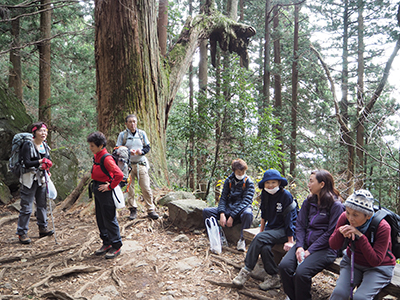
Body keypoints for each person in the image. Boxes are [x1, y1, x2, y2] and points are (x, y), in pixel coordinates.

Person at [278, 169, 344, 300]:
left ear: (322, 184)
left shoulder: (336, 205)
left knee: (302, 274)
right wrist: (300, 246)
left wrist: (310, 251)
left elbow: (331, 233)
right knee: (284, 266)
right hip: (305, 244)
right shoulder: (309, 201)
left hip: (326, 249)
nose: (308, 184)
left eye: (311, 181)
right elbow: (300, 225)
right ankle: (293, 297)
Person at [232, 169, 296, 290]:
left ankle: (246, 271)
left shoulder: (286, 196)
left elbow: (289, 219)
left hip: (285, 230)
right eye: (268, 183)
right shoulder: (265, 195)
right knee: (265, 247)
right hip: (271, 229)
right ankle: (273, 277)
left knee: (261, 239)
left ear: (279, 183)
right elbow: (264, 215)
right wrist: (261, 232)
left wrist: (290, 240)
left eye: (273, 182)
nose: (271, 185)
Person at [329, 189, 395, 300]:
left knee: (360, 298)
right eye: (348, 212)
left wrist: (360, 236)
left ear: (368, 216)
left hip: (378, 267)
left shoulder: (383, 227)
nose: (350, 218)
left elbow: (376, 260)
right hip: (353, 261)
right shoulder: (344, 218)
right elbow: (333, 245)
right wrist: (340, 233)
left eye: (355, 215)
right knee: (339, 294)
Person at [203, 159, 254, 251]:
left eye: (243, 171)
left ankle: (242, 240)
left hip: (241, 211)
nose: (241, 174)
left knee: (248, 214)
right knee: (207, 212)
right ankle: (218, 236)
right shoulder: (229, 181)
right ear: (234, 171)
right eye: (239, 172)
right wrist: (222, 213)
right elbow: (223, 198)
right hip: (228, 208)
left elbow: (246, 202)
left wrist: (232, 217)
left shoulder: (248, 182)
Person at [16, 122, 54, 244]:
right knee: (27, 207)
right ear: (34, 132)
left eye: (45, 131)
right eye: (41, 131)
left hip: (42, 178)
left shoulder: (45, 145)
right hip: (29, 178)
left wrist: (47, 169)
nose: (44, 133)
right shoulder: (28, 144)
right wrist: (40, 161)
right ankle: (22, 233)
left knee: (42, 204)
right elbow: (27, 162)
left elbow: (47, 160)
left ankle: (43, 228)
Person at [116, 114, 159, 220]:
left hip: (141, 164)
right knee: (130, 189)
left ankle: (150, 209)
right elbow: (117, 149)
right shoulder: (123, 135)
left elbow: (147, 147)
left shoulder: (141, 134)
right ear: (126, 124)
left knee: (146, 187)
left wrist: (141, 152)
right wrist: (127, 151)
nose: (132, 124)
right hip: (128, 166)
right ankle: (133, 210)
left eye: (134, 121)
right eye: (130, 122)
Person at [88, 131, 124, 259]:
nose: (90, 148)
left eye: (92, 146)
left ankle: (116, 245)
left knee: (109, 218)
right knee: (100, 218)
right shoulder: (97, 156)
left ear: (101, 145)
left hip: (106, 192)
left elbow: (119, 175)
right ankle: (106, 242)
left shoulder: (106, 158)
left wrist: (109, 186)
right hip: (98, 190)